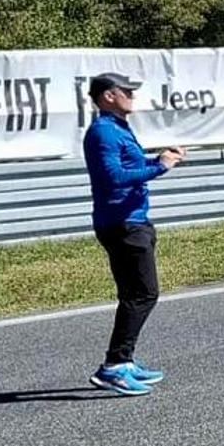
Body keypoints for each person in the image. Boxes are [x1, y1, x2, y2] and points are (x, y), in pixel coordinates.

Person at [81, 73, 184, 396]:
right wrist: (160, 167)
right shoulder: (103, 133)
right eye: (126, 91)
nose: (132, 97)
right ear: (108, 96)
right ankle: (114, 365)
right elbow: (113, 177)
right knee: (143, 294)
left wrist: (159, 160)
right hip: (122, 224)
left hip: (131, 220)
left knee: (134, 295)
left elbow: (130, 167)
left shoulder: (118, 128)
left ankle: (123, 361)